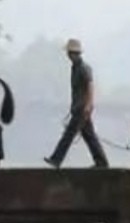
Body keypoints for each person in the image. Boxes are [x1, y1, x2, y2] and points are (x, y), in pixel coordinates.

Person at [44, 39, 109, 169]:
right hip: (78, 108)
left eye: (70, 52)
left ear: (74, 53)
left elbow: (90, 86)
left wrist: (89, 105)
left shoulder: (84, 68)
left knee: (68, 135)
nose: (68, 55)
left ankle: (56, 159)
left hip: (82, 108)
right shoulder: (75, 68)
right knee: (89, 136)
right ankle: (101, 162)